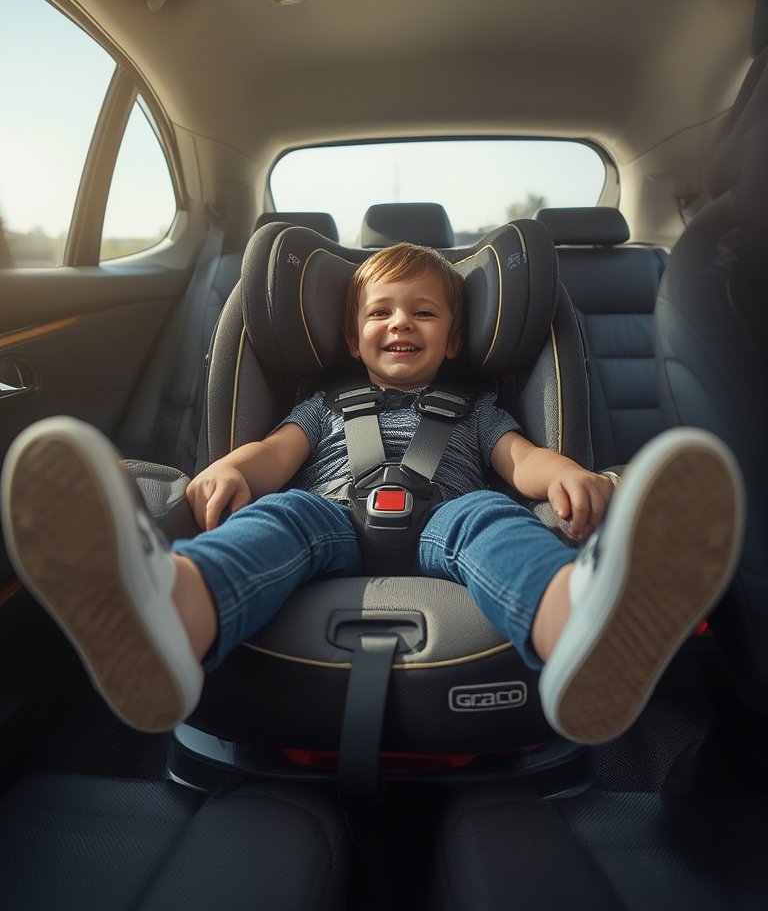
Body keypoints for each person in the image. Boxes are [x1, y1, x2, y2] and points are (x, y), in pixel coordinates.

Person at [0, 243, 744, 745]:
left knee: (489, 515)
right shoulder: (324, 405)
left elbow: (521, 462)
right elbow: (274, 455)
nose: (401, 324)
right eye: (381, 313)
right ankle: (173, 614)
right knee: (279, 515)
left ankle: (576, 623)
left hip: (443, 525)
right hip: (327, 520)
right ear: (353, 339)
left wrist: (568, 477)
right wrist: (233, 469)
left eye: (424, 313)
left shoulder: (475, 408)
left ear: (453, 340)